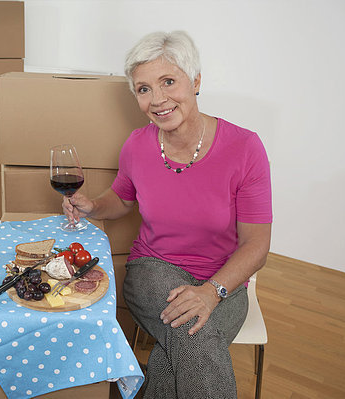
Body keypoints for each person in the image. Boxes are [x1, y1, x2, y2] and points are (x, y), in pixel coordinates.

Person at [63, 31, 272, 398]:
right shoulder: (136, 145)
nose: (157, 99)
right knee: (194, 338)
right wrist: (95, 206)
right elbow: (122, 199)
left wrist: (212, 292)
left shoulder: (245, 148)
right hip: (153, 270)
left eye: (168, 82)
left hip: (224, 280)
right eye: (143, 89)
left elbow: (257, 244)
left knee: (182, 350)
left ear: (196, 81)